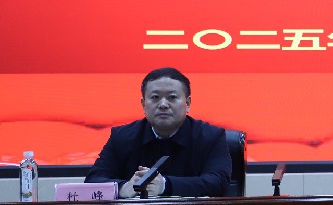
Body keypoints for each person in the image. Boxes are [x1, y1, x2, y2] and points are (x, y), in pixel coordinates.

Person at [86, 68, 232, 197]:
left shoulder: (211, 136)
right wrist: (123, 188)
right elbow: (93, 180)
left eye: (172, 97)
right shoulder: (121, 136)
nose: (163, 105)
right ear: (144, 104)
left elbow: (218, 182)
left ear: (187, 103)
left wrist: (165, 185)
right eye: (155, 97)